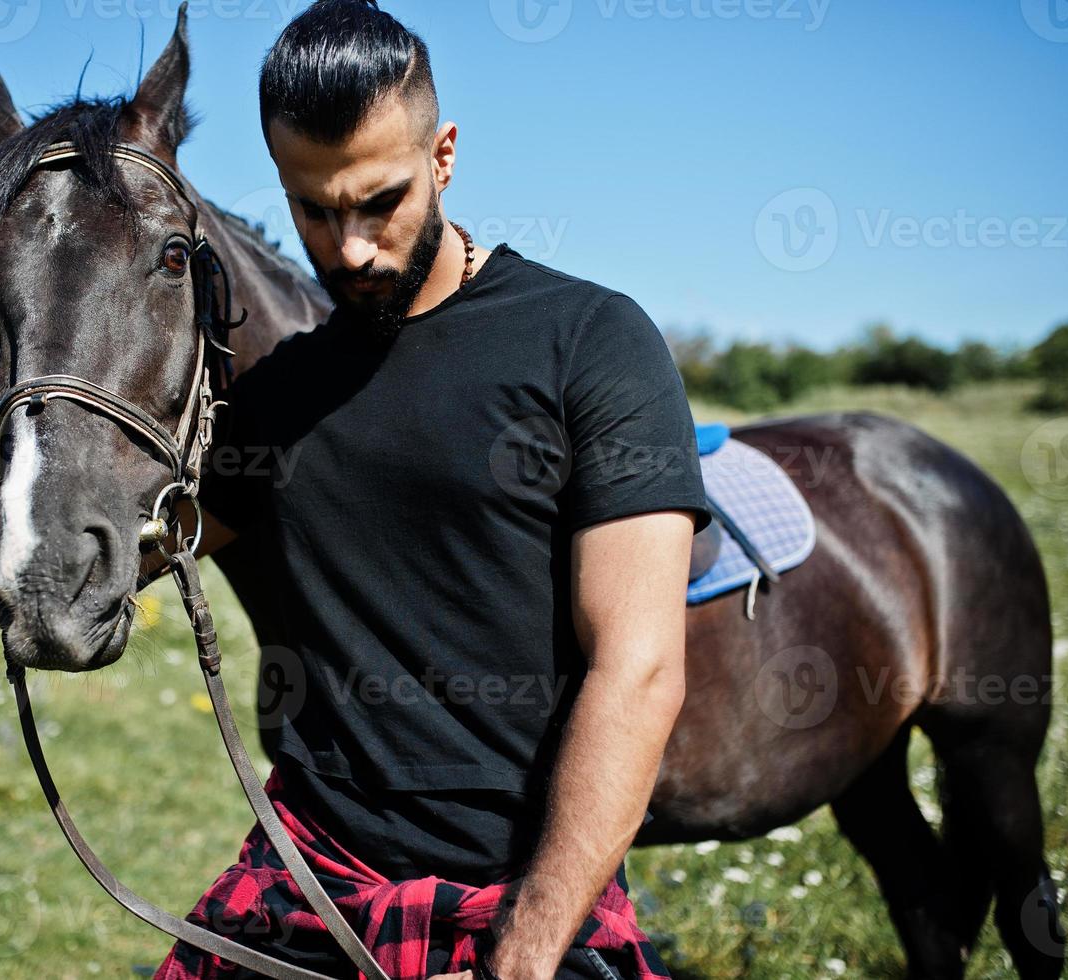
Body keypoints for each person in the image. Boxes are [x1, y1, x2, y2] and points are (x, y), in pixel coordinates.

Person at [155, 2, 709, 977]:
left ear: (444, 154)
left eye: (381, 201)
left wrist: (528, 948)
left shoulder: (592, 339)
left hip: (526, 889)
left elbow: (641, 666)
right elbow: (138, 546)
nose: (351, 246)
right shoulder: (275, 397)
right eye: (314, 210)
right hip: (311, 873)